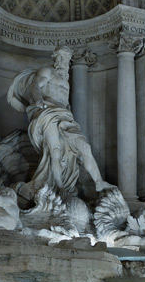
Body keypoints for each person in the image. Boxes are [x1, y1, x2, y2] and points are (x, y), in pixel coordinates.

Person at [7, 45, 114, 200]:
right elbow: (34, 86)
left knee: (84, 147)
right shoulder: (47, 72)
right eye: (61, 58)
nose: (64, 63)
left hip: (65, 117)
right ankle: (59, 186)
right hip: (47, 113)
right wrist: (37, 100)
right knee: (54, 151)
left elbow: (64, 102)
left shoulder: (66, 81)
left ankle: (99, 182)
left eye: (67, 60)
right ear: (55, 59)